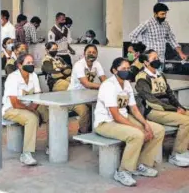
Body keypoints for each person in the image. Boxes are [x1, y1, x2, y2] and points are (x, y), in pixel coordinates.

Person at [94, 57, 164, 187]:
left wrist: (146, 124)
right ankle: (123, 171)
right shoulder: (108, 85)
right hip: (105, 123)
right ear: (115, 70)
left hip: (123, 117)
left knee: (158, 130)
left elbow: (134, 109)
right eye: (123, 69)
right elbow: (115, 115)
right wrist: (139, 129)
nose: (127, 71)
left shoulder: (126, 84)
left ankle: (141, 164)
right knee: (137, 135)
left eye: (128, 68)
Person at [135, 49, 189, 167]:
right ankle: (177, 154)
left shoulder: (160, 75)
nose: (157, 60)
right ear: (146, 62)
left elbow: (170, 94)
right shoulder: (142, 78)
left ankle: (185, 148)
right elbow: (151, 101)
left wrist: (179, 107)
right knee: (186, 121)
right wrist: (175, 110)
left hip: (166, 109)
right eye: (154, 59)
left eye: (157, 58)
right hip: (152, 111)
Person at [2, 53, 49, 166]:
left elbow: (38, 95)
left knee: (49, 113)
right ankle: (26, 154)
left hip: (29, 106)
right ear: (19, 65)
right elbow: (14, 102)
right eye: (28, 63)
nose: (31, 65)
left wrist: (35, 107)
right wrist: (30, 109)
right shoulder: (13, 77)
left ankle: (51, 145)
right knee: (32, 119)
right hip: (11, 109)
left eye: (32, 62)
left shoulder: (33, 76)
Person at [67, 44, 107, 133]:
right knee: (84, 111)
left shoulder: (97, 64)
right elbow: (86, 84)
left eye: (94, 52)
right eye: (89, 52)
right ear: (84, 53)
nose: (91, 54)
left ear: (97, 54)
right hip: (73, 97)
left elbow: (104, 79)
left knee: (101, 106)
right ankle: (82, 133)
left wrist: (108, 85)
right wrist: (103, 86)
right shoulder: (79, 65)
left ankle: (95, 131)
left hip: (87, 95)